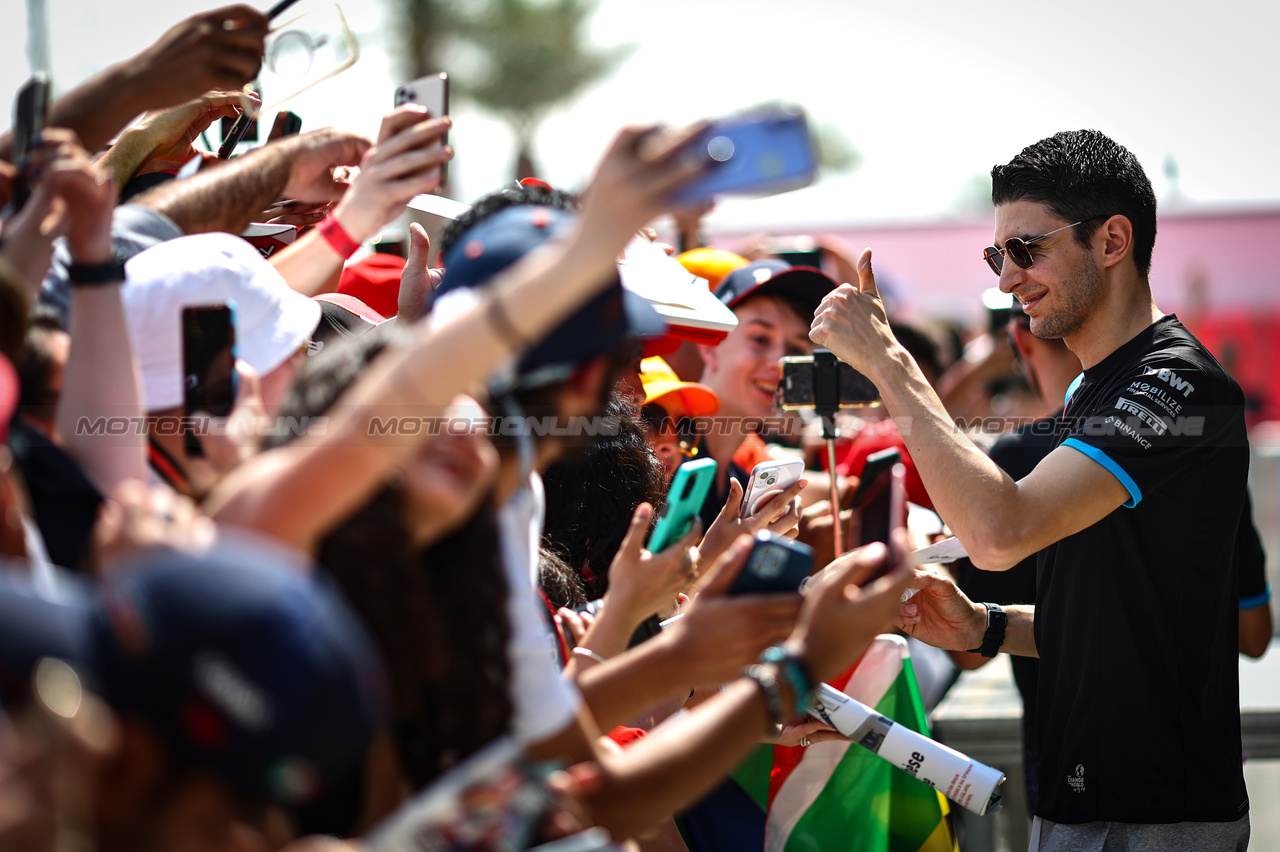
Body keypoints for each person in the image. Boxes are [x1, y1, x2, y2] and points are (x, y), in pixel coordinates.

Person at [812, 129, 1251, 850]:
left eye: (1027, 249)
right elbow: (1124, 624)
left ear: (1113, 241)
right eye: (997, 255)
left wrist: (891, 363)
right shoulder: (1097, 387)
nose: (1008, 277)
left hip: (1149, 814)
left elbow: (999, 532)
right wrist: (986, 626)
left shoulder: (1176, 384)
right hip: (1098, 804)